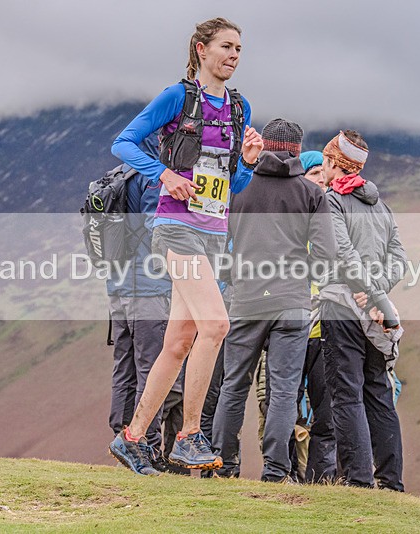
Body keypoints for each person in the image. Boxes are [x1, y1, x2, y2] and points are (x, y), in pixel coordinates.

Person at [108, 17, 263, 475]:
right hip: (177, 229)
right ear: (201, 49)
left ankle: (133, 438)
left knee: (178, 342)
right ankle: (189, 435)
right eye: (226, 47)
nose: (234, 55)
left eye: (239, 48)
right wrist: (164, 174)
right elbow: (124, 143)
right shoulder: (177, 98)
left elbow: (232, 183)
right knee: (216, 325)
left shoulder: (240, 109)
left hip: (215, 234)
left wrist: (249, 164)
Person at [211, 118, 337, 482]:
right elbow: (327, 255)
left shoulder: (240, 188)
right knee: (283, 391)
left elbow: (221, 243)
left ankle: (223, 464)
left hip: (247, 299)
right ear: (298, 151)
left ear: (265, 146)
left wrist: (233, 278)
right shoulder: (312, 194)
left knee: (233, 385)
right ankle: (277, 469)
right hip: (293, 302)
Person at [318, 130, 406, 492]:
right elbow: (399, 259)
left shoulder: (331, 202)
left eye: (325, 160)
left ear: (334, 163)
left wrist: (368, 296)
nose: (322, 168)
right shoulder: (381, 206)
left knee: (346, 393)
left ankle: (357, 481)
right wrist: (378, 297)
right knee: (378, 393)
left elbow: (343, 254)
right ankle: (391, 481)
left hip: (341, 307)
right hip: (374, 317)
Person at [106, 135, 180, 473]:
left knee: (125, 366)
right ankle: (144, 447)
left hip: (118, 287)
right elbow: (157, 232)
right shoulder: (153, 178)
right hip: (148, 288)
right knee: (151, 368)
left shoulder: (120, 174)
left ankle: (121, 438)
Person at [299, 149, 338, 484]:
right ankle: (283, 474)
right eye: (314, 177)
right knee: (283, 410)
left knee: (326, 414)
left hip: (328, 332)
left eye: (324, 180)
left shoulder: (334, 220)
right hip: (293, 329)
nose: (320, 186)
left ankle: (321, 481)